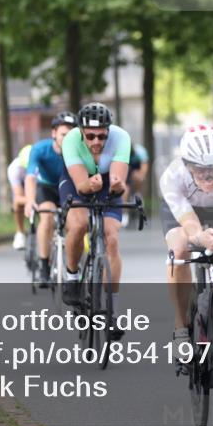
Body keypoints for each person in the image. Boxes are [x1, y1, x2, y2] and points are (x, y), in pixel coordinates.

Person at [160, 125, 213, 400]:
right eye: (200, 170)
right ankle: (180, 328)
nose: (209, 176)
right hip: (185, 218)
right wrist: (200, 237)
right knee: (181, 249)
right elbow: (189, 225)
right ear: (187, 165)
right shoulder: (172, 176)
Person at [58, 102, 131, 340]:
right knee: (78, 224)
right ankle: (71, 275)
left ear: (109, 131)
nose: (96, 142)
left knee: (112, 238)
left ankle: (113, 310)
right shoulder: (70, 140)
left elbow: (119, 181)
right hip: (75, 180)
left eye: (102, 136)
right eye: (90, 136)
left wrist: (117, 186)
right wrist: (89, 185)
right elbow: (81, 185)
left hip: (107, 182)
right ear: (80, 132)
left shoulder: (121, 138)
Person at [24, 111, 77, 287]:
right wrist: (30, 200)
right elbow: (31, 176)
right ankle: (44, 266)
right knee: (47, 218)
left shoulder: (78, 151)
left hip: (68, 187)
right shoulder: (40, 149)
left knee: (73, 224)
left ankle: (73, 269)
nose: (67, 138)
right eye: (63, 134)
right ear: (54, 133)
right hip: (46, 188)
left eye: (71, 134)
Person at [7, 144, 32, 250]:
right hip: (22, 186)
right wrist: (32, 201)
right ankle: (20, 232)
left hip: (38, 183)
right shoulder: (14, 169)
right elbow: (18, 196)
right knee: (17, 204)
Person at [121, 142, 149, 227]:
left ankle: (137, 193)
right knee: (125, 189)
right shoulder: (121, 152)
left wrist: (141, 177)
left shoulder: (140, 152)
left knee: (139, 178)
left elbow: (144, 167)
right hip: (126, 166)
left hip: (137, 166)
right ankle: (124, 214)